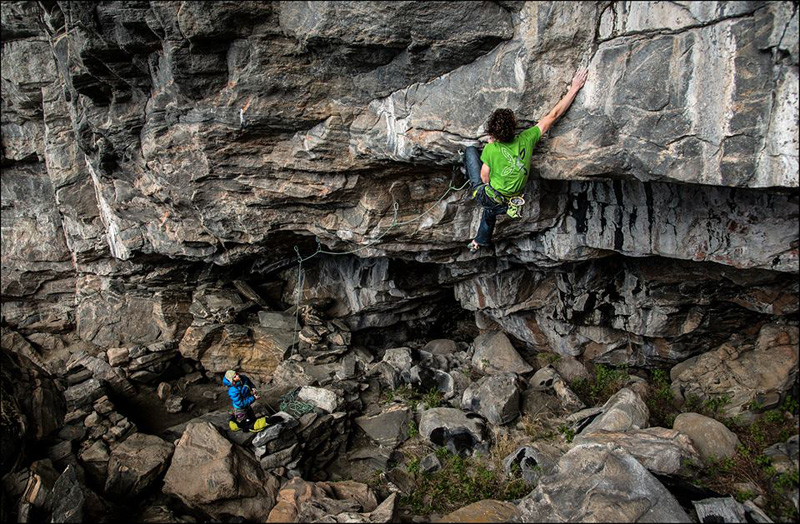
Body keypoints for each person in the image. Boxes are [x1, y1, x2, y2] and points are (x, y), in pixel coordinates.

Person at [464, 67, 589, 251]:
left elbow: (484, 177)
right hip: (509, 202)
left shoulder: (491, 149)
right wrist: (574, 88)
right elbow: (553, 115)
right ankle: (480, 240)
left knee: (469, 151)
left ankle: (481, 237)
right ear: (513, 128)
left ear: (493, 134)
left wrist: (492, 149)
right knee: (490, 211)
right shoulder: (528, 138)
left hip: (492, 197)